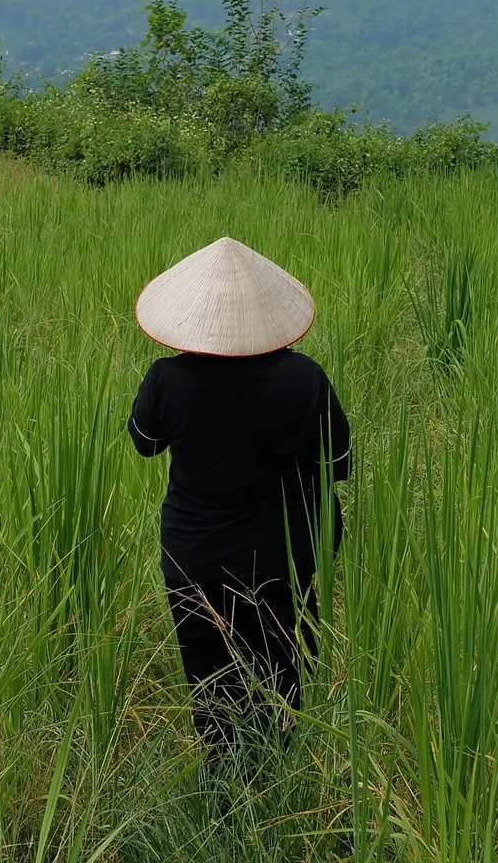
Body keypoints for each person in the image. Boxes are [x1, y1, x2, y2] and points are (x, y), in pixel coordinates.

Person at [127, 237, 351, 758]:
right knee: (282, 667)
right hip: (285, 556)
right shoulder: (304, 378)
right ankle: (276, 768)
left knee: (209, 678)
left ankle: (221, 779)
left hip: (193, 559)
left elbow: (145, 442)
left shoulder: (167, 379)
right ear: (266, 316)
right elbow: (336, 464)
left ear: (194, 317)